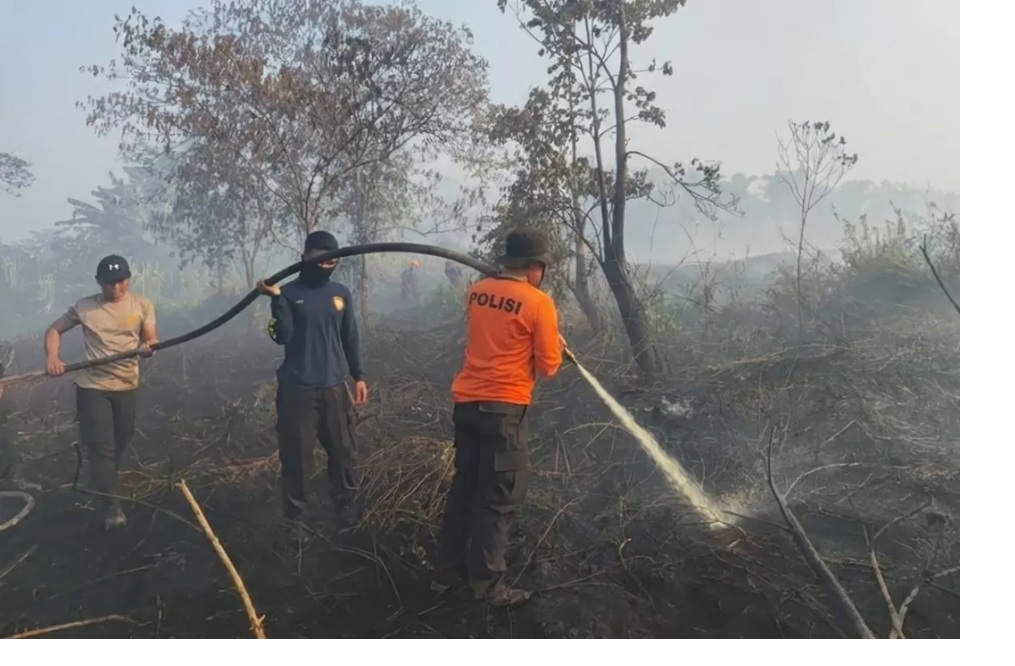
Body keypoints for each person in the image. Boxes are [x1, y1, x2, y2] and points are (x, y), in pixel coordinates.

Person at [434, 227, 570, 607]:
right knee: (498, 497)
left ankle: (446, 574)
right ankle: (488, 587)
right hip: (504, 411)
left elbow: (497, 332)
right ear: (535, 267)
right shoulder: (538, 303)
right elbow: (548, 367)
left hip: (467, 405)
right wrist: (551, 337)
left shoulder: (477, 292)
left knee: (465, 489)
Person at [257, 230, 368, 532]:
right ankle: (295, 521)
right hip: (298, 391)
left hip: (334, 387)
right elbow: (282, 336)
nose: (327, 263)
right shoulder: (289, 293)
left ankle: (344, 508)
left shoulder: (341, 294)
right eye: (321, 257)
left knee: (344, 452)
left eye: (332, 258)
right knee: (297, 458)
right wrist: (277, 300)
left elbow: (350, 337)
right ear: (306, 256)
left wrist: (358, 375)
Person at [44, 255, 157, 530]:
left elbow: (151, 336)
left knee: (120, 441)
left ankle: (103, 480)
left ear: (128, 279)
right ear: (99, 282)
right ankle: (111, 508)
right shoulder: (85, 307)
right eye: (109, 283)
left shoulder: (142, 304)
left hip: (126, 384)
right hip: (92, 386)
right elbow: (54, 330)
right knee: (102, 447)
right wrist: (53, 358)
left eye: (120, 281)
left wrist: (149, 346)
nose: (115, 288)